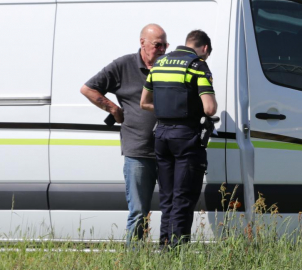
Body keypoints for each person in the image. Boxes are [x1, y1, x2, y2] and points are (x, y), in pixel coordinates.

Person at [81, 24, 168, 247]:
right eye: (157, 45)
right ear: (143, 43)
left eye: (164, 46)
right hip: (138, 150)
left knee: (172, 207)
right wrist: (113, 109)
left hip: (168, 149)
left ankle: (170, 257)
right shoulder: (124, 65)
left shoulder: (167, 67)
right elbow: (88, 88)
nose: (161, 50)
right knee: (139, 212)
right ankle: (134, 263)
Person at [140, 30, 217, 246]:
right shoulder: (197, 65)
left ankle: (165, 247)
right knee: (183, 197)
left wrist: (167, 109)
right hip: (185, 137)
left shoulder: (160, 63)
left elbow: (144, 103)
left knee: (167, 198)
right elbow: (209, 109)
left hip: (161, 135)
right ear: (205, 49)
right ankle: (176, 253)